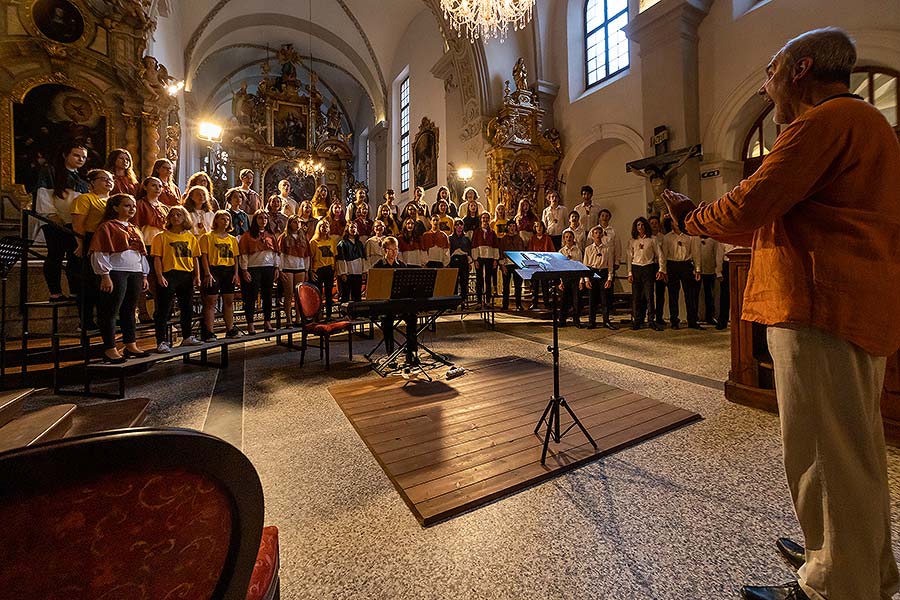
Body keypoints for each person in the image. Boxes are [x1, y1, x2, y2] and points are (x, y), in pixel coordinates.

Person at [662, 28, 900, 600]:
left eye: (772, 69)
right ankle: (853, 559)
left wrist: (692, 217)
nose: (767, 82)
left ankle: (833, 585)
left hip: (819, 302)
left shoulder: (822, 122)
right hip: (851, 302)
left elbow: (752, 201)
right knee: (852, 445)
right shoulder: (869, 125)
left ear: (801, 68)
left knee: (824, 447)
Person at [89, 194, 150, 363]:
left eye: (133, 206)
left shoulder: (134, 228)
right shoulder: (107, 227)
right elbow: (100, 252)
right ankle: (110, 348)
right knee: (110, 310)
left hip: (135, 271)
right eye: (126, 205)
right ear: (115, 207)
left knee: (130, 310)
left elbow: (141, 253)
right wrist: (105, 275)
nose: (131, 209)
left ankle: (130, 344)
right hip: (116, 272)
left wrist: (144, 274)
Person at [34, 142, 88, 303]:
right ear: (66, 155)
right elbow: (43, 194)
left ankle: (74, 292)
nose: (80, 159)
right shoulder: (50, 171)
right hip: (54, 221)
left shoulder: (81, 178)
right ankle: (55, 293)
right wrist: (52, 215)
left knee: (75, 257)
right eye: (76, 155)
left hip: (74, 223)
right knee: (55, 255)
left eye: (83, 157)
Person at [150, 206, 202, 353]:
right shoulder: (161, 236)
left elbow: (195, 258)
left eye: (179, 215)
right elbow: (157, 258)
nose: (175, 217)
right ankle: (161, 341)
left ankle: (187, 336)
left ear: (184, 217)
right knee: (164, 309)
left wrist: (197, 276)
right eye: (172, 215)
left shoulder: (190, 237)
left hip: (186, 274)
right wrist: (159, 276)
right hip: (169, 274)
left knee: (187, 307)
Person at [71, 168, 114, 329]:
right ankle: (86, 320)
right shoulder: (85, 199)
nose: (108, 181)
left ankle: (107, 319)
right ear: (92, 183)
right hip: (90, 239)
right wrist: (80, 243)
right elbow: (78, 224)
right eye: (103, 179)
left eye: (110, 179)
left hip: (110, 242)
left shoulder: (114, 200)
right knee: (89, 283)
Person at [199, 211, 241, 340]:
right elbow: (204, 256)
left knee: (229, 300)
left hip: (228, 270)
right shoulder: (207, 237)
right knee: (211, 301)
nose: (226, 221)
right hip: (214, 269)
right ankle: (209, 331)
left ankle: (230, 329)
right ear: (216, 220)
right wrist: (207, 273)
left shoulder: (232, 239)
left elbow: (235, 258)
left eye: (227, 219)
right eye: (222, 219)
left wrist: (235, 274)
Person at [133, 176, 168, 323]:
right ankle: (142, 312)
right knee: (144, 278)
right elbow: (136, 226)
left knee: (158, 280)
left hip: (161, 247)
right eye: (153, 185)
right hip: (146, 245)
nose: (157, 188)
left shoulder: (163, 207)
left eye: (159, 186)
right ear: (145, 187)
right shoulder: (140, 204)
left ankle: (159, 311)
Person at [239, 210, 280, 334]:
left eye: (265, 218)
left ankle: (267, 321)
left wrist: (277, 267)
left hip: (268, 267)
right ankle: (250, 324)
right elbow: (244, 254)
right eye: (260, 218)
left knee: (267, 296)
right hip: (253, 268)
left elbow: (275, 254)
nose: (263, 220)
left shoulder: (271, 235)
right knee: (251, 297)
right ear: (255, 220)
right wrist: (244, 270)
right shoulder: (247, 235)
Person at [661, 220, 701, 329]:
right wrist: (663, 270)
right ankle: (674, 321)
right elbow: (663, 255)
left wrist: (697, 269)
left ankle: (692, 321)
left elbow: (695, 253)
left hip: (686, 265)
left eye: (677, 222)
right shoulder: (667, 237)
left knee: (690, 294)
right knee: (673, 295)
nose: (675, 224)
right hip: (672, 265)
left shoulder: (689, 236)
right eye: (673, 222)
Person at [626, 217, 664, 331]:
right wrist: (629, 272)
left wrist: (661, 269)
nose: (640, 227)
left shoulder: (652, 239)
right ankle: (637, 320)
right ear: (635, 227)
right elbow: (629, 257)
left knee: (649, 296)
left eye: (642, 225)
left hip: (648, 268)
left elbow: (660, 255)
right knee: (637, 297)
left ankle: (651, 320)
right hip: (636, 268)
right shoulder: (632, 241)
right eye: (638, 225)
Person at [278, 215, 311, 326]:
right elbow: (281, 255)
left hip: (300, 267)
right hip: (288, 267)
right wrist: (280, 269)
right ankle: (288, 319)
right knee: (288, 294)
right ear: (289, 223)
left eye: (298, 222)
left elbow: (307, 255)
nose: (296, 224)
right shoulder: (284, 237)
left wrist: (307, 270)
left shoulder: (303, 237)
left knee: (299, 295)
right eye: (294, 222)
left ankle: (298, 318)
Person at [583, 225, 617, 330]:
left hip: (603, 273)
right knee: (592, 299)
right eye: (595, 233)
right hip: (593, 273)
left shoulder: (607, 249)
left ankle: (606, 321)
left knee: (605, 299)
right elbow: (586, 265)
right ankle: (591, 322)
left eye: (599, 233)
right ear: (592, 236)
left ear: (602, 235)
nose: (597, 235)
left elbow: (610, 265)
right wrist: (586, 280)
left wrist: (609, 279)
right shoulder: (588, 249)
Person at [309, 219, 337, 319]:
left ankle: (329, 315)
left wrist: (335, 270)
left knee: (329, 294)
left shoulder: (332, 241)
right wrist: (311, 271)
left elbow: (334, 256)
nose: (324, 229)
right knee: (318, 293)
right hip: (318, 269)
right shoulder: (313, 242)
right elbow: (311, 258)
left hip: (329, 269)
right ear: (319, 228)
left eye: (326, 226)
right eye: (322, 226)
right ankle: (318, 315)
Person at [471, 212, 499, 306]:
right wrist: (475, 260)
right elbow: (474, 245)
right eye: (483, 218)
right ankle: (479, 302)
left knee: (488, 279)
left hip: (489, 258)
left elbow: (495, 246)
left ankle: (487, 301)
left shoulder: (492, 232)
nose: (485, 220)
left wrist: (495, 259)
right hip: (479, 258)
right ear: (481, 219)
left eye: (487, 218)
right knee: (479, 280)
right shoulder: (477, 232)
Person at [557, 228, 583, 327]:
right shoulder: (561, 251)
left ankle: (576, 320)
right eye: (566, 237)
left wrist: (581, 280)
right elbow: (559, 267)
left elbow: (581, 265)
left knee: (576, 300)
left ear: (573, 238)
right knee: (563, 300)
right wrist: (560, 281)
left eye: (570, 237)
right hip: (565, 277)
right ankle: (562, 320)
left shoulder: (578, 251)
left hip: (575, 276)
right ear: (564, 239)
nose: (568, 239)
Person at [498, 220, 526, 311]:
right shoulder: (503, 239)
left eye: (514, 226)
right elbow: (501, 252)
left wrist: (521, 264)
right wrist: (502, 265)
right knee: (506, 286)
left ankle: (518, 304)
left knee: (518, 286)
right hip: (507, 264)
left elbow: (522, 252)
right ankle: (505, 305)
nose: (512, 228)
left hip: (517, 264)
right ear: (507, 227)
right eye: (510, 226)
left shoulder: (519, 239)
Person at [336, 221, 365, 302]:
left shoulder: (359, 244)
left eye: (355, 227)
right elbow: (341, 259)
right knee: (345, 295)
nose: (353, 229)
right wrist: (343, 273)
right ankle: (345, 314)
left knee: (357, 295)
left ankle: (356, 313)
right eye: (351, 227)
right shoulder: (342, 244)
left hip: (357, 273)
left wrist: (363, 271)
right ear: (347, 229)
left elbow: (363, 258)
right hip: (348, 273)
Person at [648, 214, 667, 327]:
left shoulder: (663, 237)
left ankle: (659, 317)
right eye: (652, 223)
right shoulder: (647, 238)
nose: (654, 225)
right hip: (649, 266)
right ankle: (649, 316)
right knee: (648, 293)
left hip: (660, 266)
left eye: (656, 223)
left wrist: (663, 270)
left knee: (660, 293)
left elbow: (664, 254)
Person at [697, 235, 720, 325]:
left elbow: (716, 255)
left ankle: (710, 317)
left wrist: (716, 270)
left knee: (709, 295)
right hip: (696, 270)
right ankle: (696, 316)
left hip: (709, 270)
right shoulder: (694, 239)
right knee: (695, 294)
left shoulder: (713, 240)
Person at [449, 219, 472, 307]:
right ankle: (453, 303)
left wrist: (469, 262)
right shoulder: (450, 238)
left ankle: (463, 301)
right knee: (454, 282)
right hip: (454, 260)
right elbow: (449, 250)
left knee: (464, 282)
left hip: (463, 260)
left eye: (461, 225)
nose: (459, 226)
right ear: (454, 226)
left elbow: (469, 251)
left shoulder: (466, 238)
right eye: (457, 225)